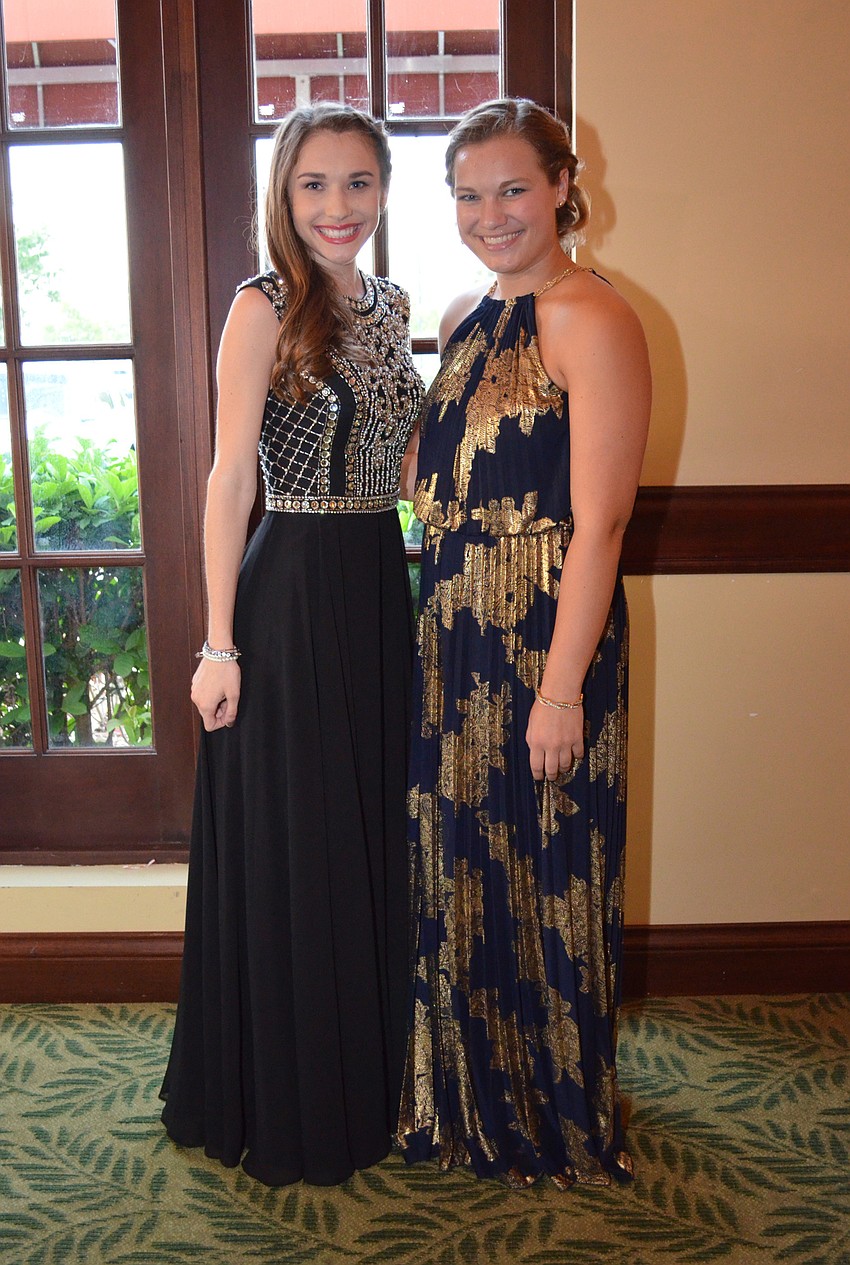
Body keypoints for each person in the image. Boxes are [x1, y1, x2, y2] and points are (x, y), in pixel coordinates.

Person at [160, 103, 423, 1187]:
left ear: (383, 189)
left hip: (378, 587)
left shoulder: (392, 303)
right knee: (302, 838)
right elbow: (231, 480)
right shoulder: (260, 305)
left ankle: (369, 1076)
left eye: (358, 182)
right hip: (291, 594)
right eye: (314, 183)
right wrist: (217, 643)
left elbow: (404, 469)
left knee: (367, 827)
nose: (337, 205)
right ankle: (291, 1093)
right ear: (283, 193)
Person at [397, 98, 651, 1188]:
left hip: (547, 631)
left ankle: (549, 1107)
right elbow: (426, 479)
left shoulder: (592, 315)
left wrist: (560, 689)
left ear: (561, 186)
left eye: (511, 189)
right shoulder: (464, 312)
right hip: (453, 625)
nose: (490, 214)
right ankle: (461, 1090)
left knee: (549, 867)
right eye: (468, 195)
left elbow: (601, 523)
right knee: (460, 863)